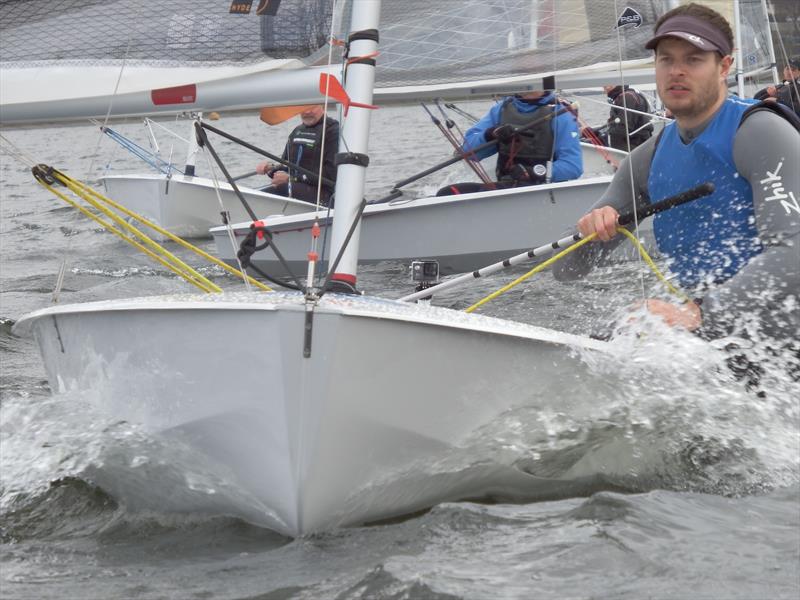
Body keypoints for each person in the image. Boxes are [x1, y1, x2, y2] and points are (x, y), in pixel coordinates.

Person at [553, 3, 799, 348]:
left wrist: (699, 314)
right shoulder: (645, 161)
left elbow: (795, 254)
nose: (676, 71)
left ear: (724, 66)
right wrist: (590, 233)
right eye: (666, 59)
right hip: (709, 343)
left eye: (693, 59)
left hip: (782, 350)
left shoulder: (761, 132)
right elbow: (566, 271)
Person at [436, 90, 583, 196]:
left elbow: (573, 166)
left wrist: (533, 172)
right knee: (446, 193)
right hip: (506, 189)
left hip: (541, 192)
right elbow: (467, 153)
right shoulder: (501, 109)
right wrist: (490, 135)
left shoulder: (561, 113)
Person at [255, 105, 339, 206]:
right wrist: (270, 169)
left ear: (323, 106)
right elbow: (286, 166)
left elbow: (330, 175)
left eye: (312, 107)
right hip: (296, 188)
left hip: (325, 196)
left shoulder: (333, 131)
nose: (307, 112)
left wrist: (290, 179)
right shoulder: (296, 131)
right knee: (256, 194)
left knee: (280, 189)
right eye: (304, 107)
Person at [584, 84, 654, 150]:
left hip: (633, 146)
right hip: (632, 143)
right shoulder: (625, 96)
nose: (604, 86)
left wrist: (600, 138)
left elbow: (623, 128)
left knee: (586, 145)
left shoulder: (627, 98)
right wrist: (593, 132)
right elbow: (614, 125)